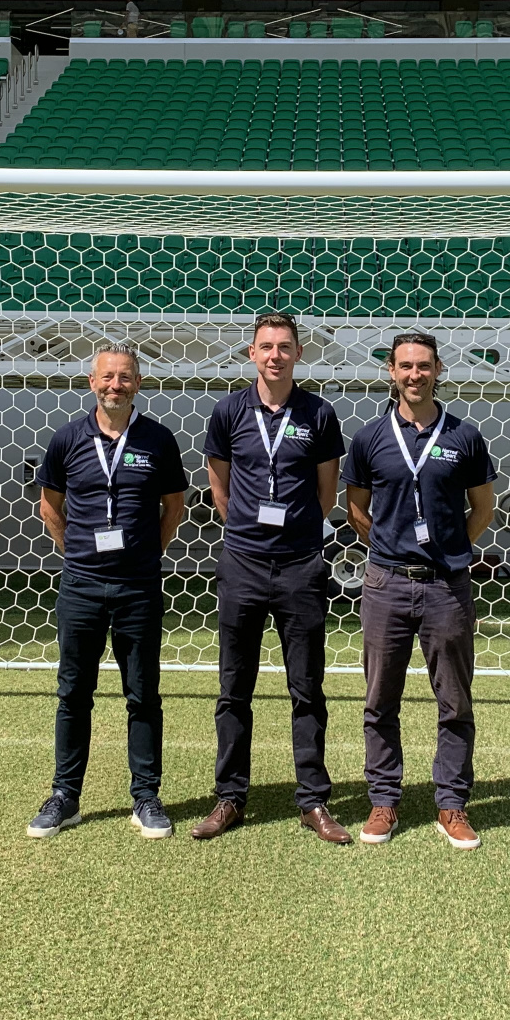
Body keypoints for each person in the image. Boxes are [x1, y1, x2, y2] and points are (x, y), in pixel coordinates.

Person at [192, 314, 349, 844]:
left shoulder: (319, 413)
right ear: (251, 353)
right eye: (266, 347)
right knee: (234, 687)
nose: (275, 355)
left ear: (298, 355)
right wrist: (245, 529)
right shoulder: (228, 410)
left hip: (302, 564)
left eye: (285, 347)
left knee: (306, 687)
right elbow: (220, 484)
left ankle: (313, 801)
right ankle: (230, 797)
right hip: (243, 561)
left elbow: (326, 495)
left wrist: (297, 532)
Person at [342, 332, 496, 850]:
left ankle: (451, 803)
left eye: (424, 366)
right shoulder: (368, 439)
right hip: (385, 583)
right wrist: (391, 550)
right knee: (380, 699)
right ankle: (384, 800)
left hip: (447, 586)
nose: (415, 374)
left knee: (453, 700)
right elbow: (358, 509)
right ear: (391, 370)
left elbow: (483, 509)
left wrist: (449, 550)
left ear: (438, 370)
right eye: (406, 365)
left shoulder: (464, 436)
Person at [28, 346, 188, 840]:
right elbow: (50, 506)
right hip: (80, 585)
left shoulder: (158, 439)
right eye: (107, 377)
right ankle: (64, 796)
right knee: (74, 692)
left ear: (138, 383)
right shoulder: (68, 439)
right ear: (91, 381)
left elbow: (173, 508)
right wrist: (77, 552)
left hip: (138, 586)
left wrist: (142, 557)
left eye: (124, 377)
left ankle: (146, 796)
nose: (115, 385)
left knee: (142, 693)